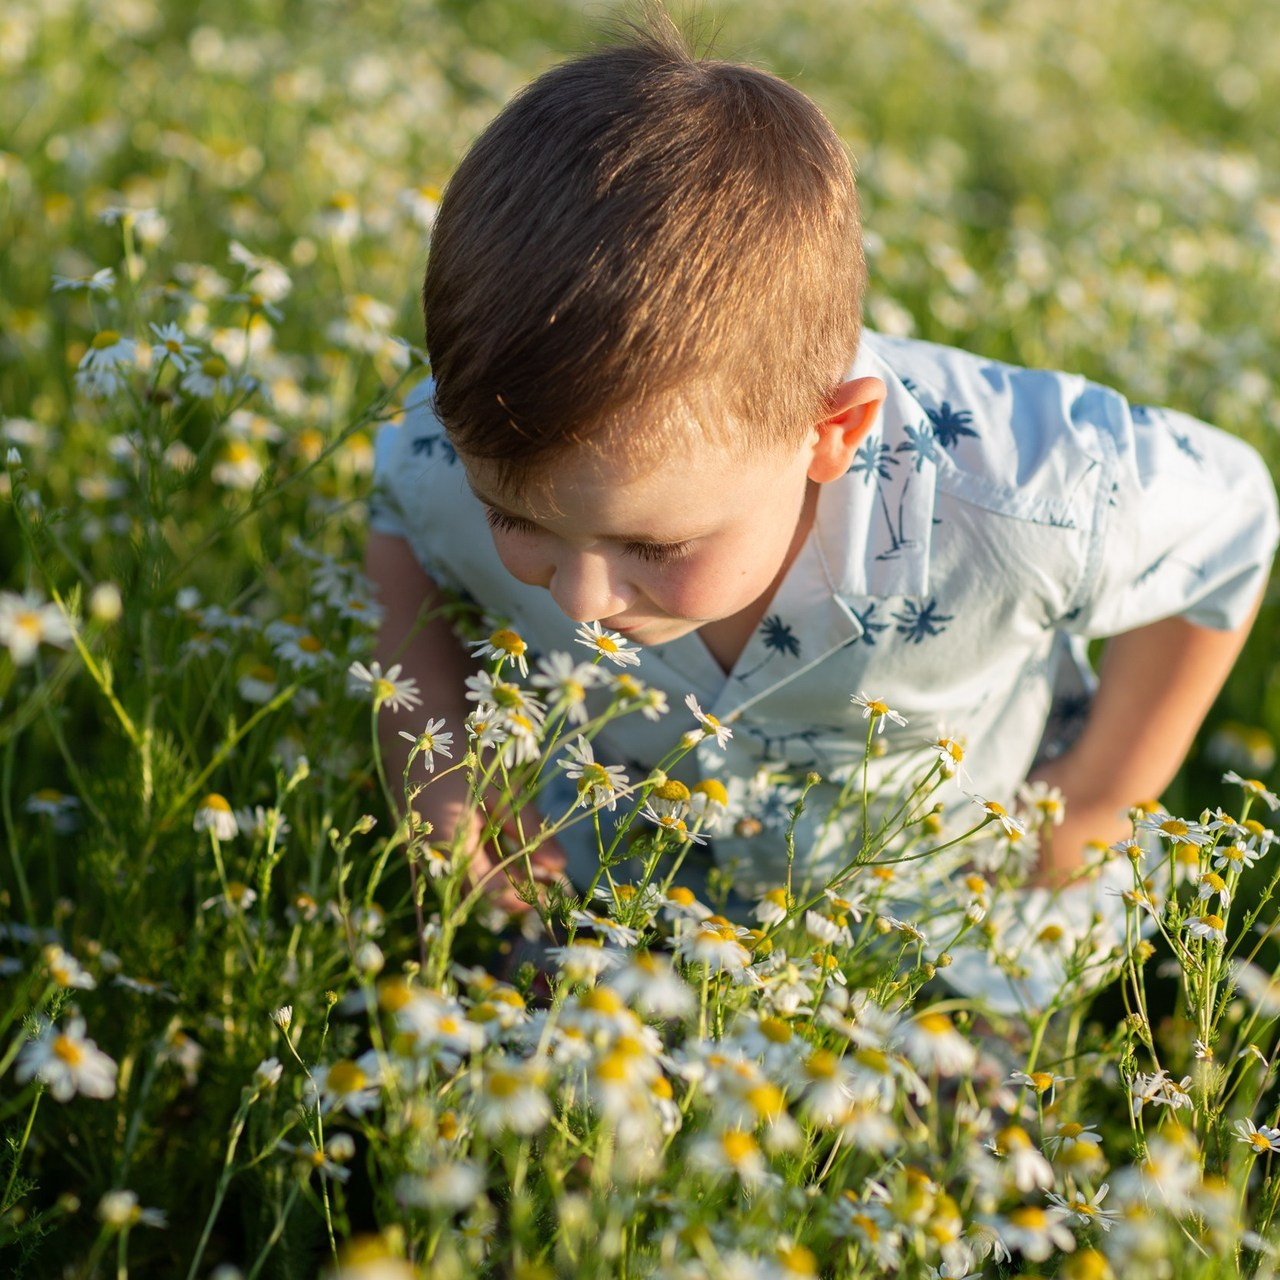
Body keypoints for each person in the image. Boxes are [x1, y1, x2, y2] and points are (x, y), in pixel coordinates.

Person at [364, 8, 1278, 965]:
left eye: (655, 547)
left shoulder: (1019, 498)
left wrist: (1098, 795)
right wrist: (433, 750)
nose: (583, 600)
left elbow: (1232, 519)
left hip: (948, 913)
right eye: (516, 520)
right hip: (613, 877)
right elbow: (400, 512)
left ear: (830, 432)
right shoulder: (462, 439)